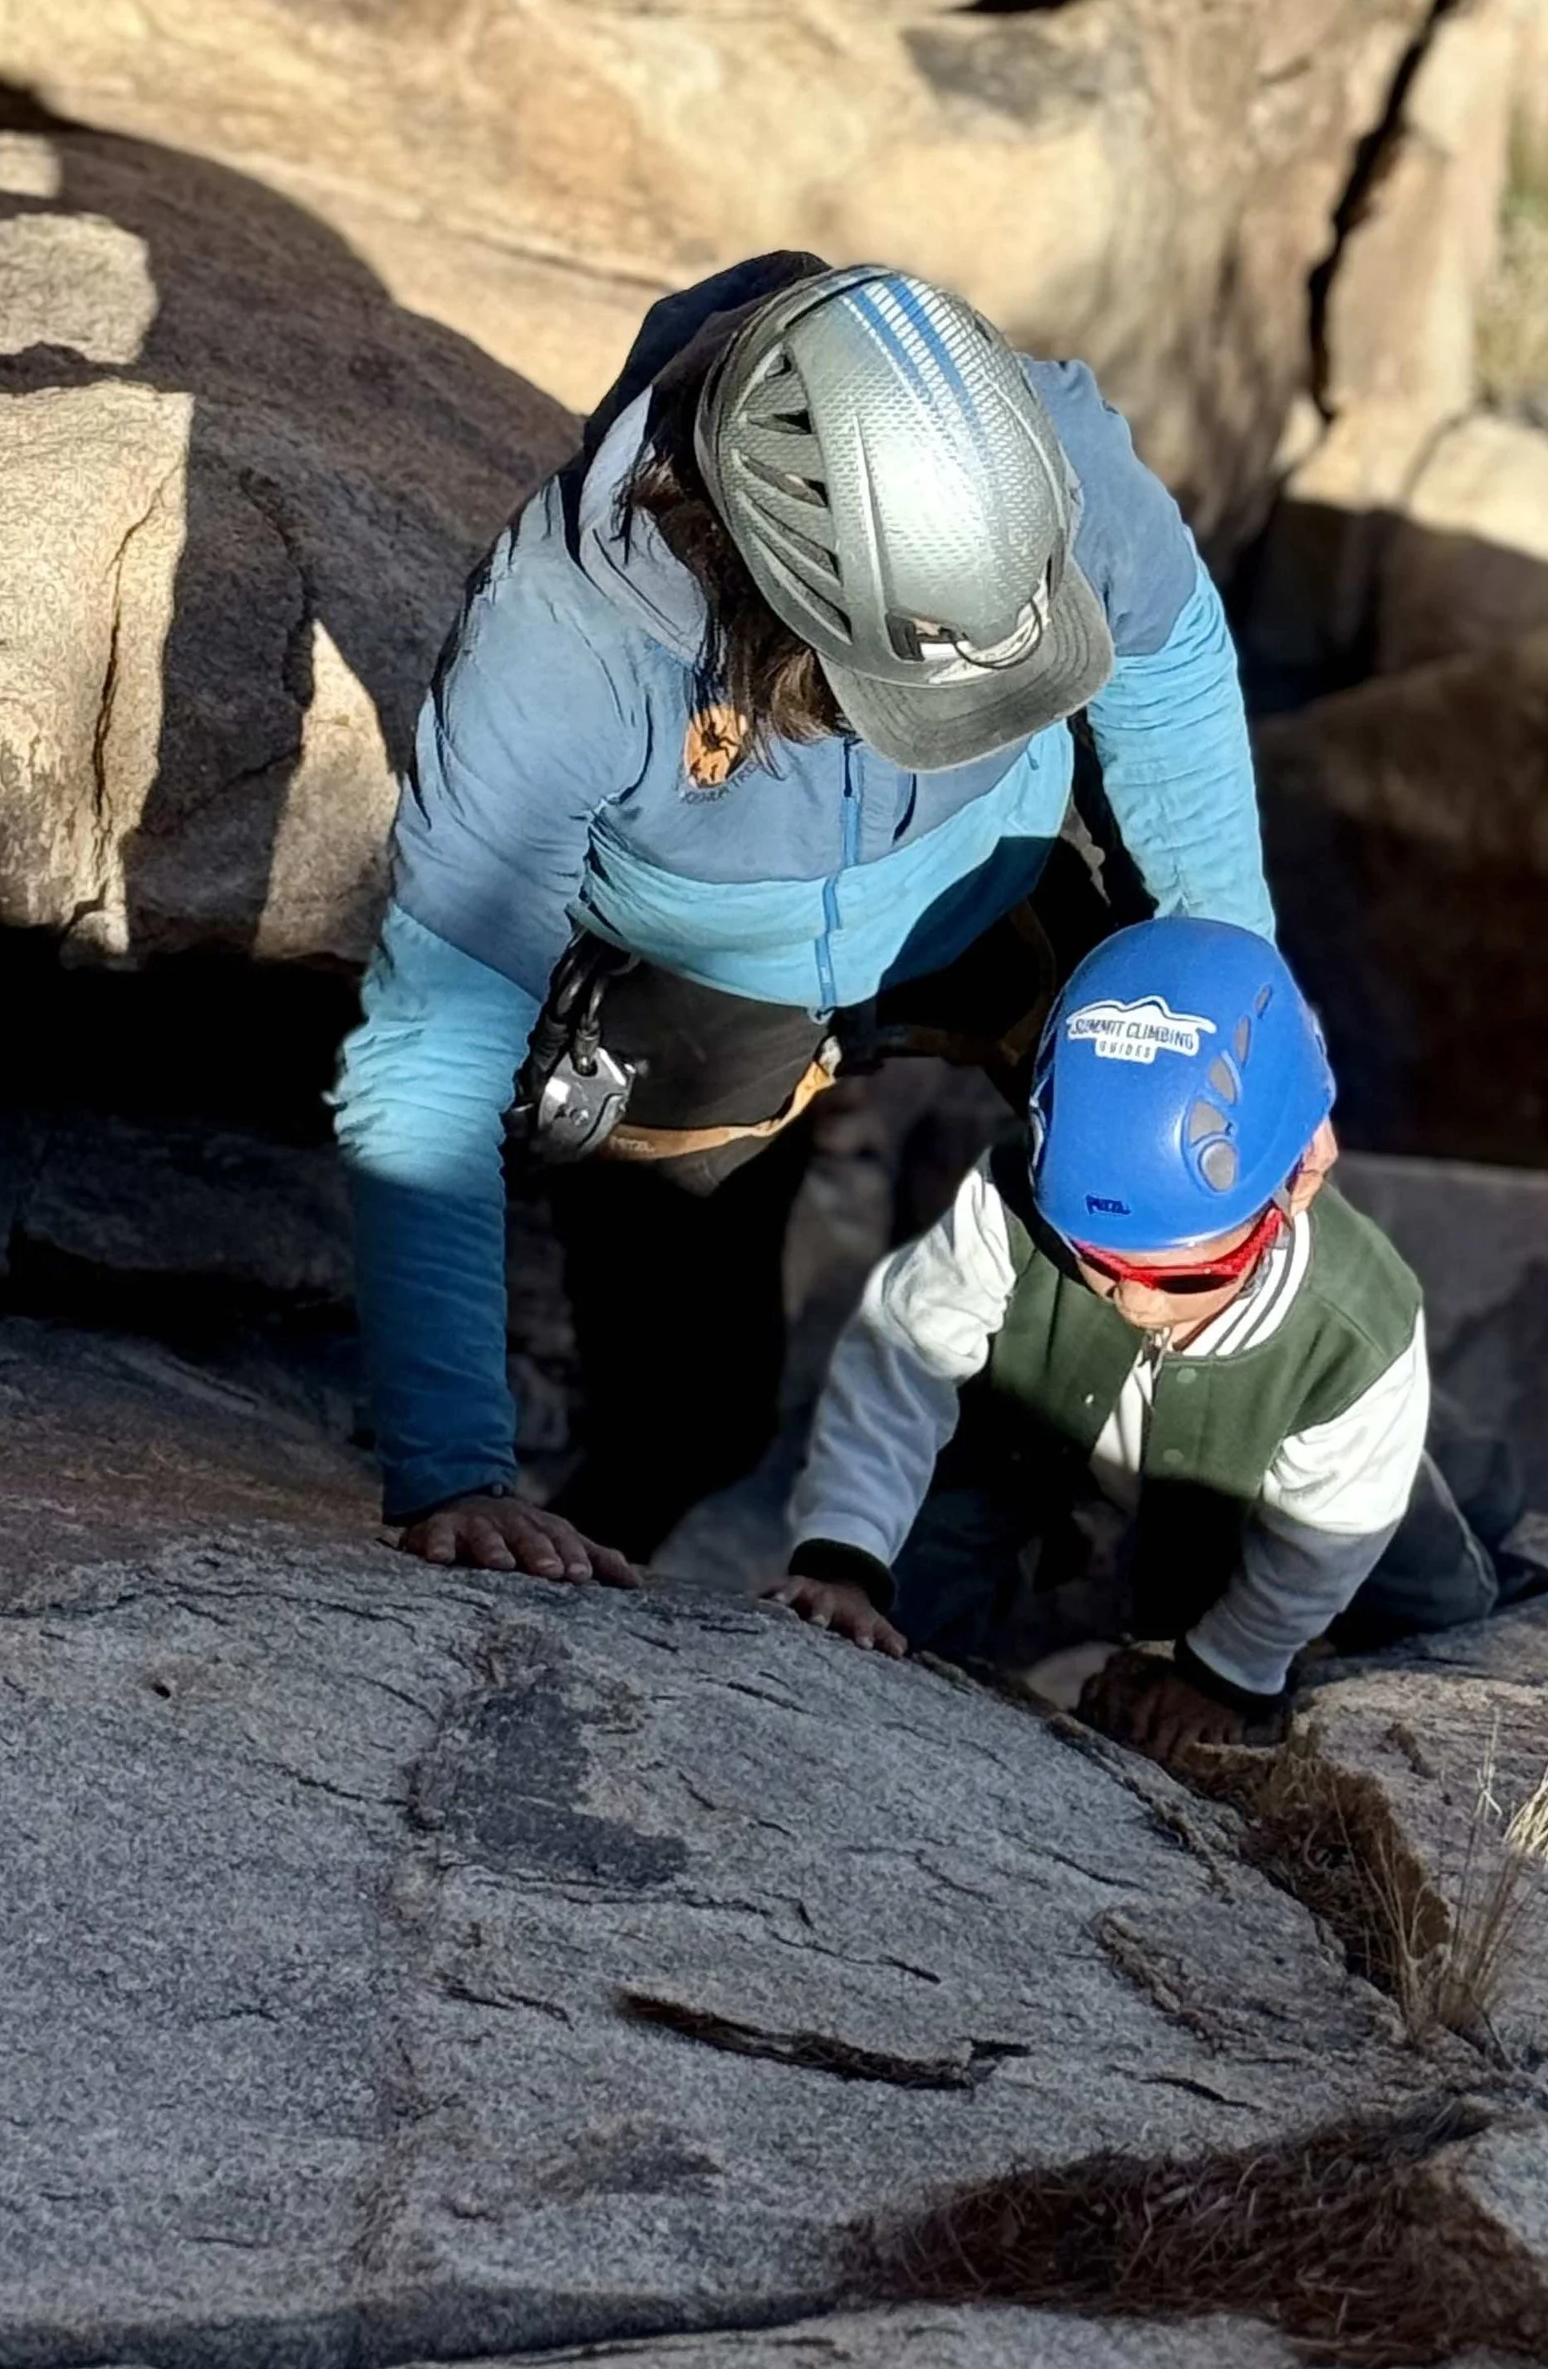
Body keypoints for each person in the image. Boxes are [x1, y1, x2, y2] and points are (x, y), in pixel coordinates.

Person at [331, 254, 1276, 1585]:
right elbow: (432, 1057)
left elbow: (1168, 666)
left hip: (988, 888)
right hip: (702, 985)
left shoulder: (1039, 444)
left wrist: (1243, 1003)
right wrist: (453, 1473)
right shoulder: (560, 645)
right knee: (697, 1422)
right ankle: (623, 1565)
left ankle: (1325, 1581)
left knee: (1234, 1187)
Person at [768, 918, 1442, 1762]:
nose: (1128, 1295)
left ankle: (1509, 1567)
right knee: (931, 1559)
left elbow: (1329, 1533)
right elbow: (899, 1366)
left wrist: (1228, 1669)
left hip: (1256, 1472)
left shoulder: (1356, 1332)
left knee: (1416, 1574)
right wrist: (847, 1556)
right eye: (1094, 1261)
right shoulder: (1012, 1198)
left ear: (1302, 1174)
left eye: (1180, 1279)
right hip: (1039, 1434)